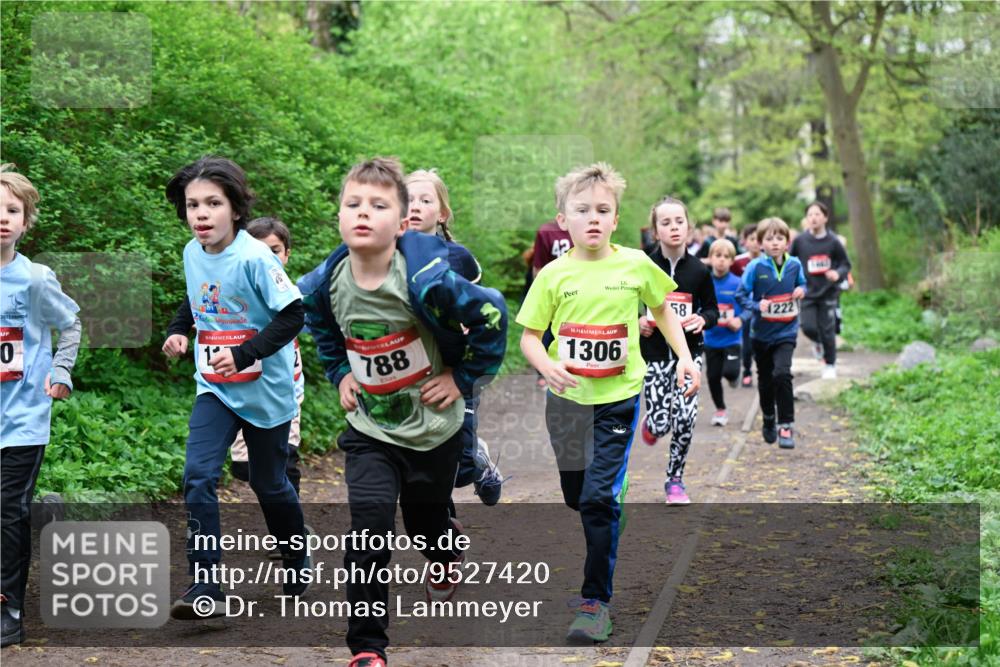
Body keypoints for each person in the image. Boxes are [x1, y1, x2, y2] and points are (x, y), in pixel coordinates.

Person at [298, 157, 507, 667]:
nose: (363, 213)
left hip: (434, 431)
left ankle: (442, 552)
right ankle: (368, 647)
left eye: (378, 205)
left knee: (425, 521)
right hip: (372, 431)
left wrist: (460, 379)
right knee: (369, 527)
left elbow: (493, 316)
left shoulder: (427, 277)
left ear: (402, 218)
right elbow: (318, 324)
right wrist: (341, 374)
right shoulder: (327, 280)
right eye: (353, 204)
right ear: (339, 216)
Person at [517, 163, 699, 643]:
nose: (593, 218)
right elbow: (531, 338)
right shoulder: (554, 274)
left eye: (603, 210)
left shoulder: (636, 263)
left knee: (598, 501)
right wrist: (546, 366)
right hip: (566, 402)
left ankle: (594, 603)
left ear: (616, 218)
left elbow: (662, 307)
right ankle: (604, 504)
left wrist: (684, 358)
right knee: (578, 497)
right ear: (564, 219)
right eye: (582, 210)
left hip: (617, 399)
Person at [161, 157, 309, 620]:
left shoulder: (255, 258)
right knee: (198, 475)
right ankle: (206, 583)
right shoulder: (191, 251)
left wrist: (245, 353)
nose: (200, 214)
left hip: (266, 390)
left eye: (212, 204)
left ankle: (296, 556)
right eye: (192, 205)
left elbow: (293, 314)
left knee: (269, 484)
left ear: (236, 210)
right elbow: (197, 296)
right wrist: (180, 329)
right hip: (215, 386)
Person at [0, 164, 81, 648]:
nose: (2, 219)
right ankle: (44, 520)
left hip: (23, 415)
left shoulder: (34, 279)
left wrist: (62, 371)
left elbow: (69, 324)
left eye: (12, 211)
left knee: (5, 510)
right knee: (10, 512)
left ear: (26, 221)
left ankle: (9, 610)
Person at [405, 168, 504, 506]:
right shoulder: (386, 254)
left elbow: (479, 306)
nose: (414, 206)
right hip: (410, 369)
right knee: (426, 458)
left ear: (442, 213)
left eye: (425, 200)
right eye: (406, 200)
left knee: (459, 464)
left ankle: (477, 460)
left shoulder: (457, 257)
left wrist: (464, 325)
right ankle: (442, 529)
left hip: (456, 366)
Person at [638, 196, 717, 506]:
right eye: (666, 223)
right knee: (660, 424)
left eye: (679, 221)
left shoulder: (699, 271)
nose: (673, 227)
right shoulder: (643, 265)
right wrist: (638, 321)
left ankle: (675, 480)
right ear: (656, 231)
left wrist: (703, 318)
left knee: (685, 419)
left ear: (689, 227)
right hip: (654, 356)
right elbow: (627, 305)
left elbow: (712, 308)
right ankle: (652, 424)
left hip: (690, 355)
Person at [736, 217, 806, 449]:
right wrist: (757, 306)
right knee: (765, 380)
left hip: (786, 331)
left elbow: (803, 284)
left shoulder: (795, 264)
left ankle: (786, 424)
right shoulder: (755, 267)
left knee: (782, 374)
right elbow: (741, 295)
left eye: (779, 238)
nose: (775, 243)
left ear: (787, 242)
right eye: (769, 238)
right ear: (760, 243)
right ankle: (768, 417)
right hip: (761, 335)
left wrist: (800, 290)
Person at [790, 201, 851, 379]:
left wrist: (837, 273)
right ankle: (817, 342)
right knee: (808, 327)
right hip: (807, 292)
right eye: (810, 215)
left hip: (828, 292)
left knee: (828, 330)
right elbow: (790, 263)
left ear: (825, 217)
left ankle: (830, 365)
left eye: (817, 214)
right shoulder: (800, 241)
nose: (813, 218)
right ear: (806, 219)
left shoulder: (833, 241)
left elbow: (845, 264)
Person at [703, 239, 743, 426]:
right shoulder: (704, 282)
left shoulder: (737, 283)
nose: (721, 260)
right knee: (712, 377)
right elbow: (697, 306)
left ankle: (735, 377)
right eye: (717, 256)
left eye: (726, 257)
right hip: (711, 340)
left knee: (730, 371)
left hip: (732, 339)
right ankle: (720, 410)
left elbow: (747, 306)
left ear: (732, 261)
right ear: (710, 259)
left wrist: (740, 319)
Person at [530, 217, 573, 387]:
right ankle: (544, 372)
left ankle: (571, 367)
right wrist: (540, 292)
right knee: (545, 331)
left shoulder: (583, 228)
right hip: (553, 290)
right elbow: (538, 265)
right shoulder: (546, 231)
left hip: (577, 290)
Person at [732, 223, 760, 388]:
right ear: (745, 241)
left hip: (764, 308)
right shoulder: (737, 262)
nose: (756, 242)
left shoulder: (768, 260)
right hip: (745, 308)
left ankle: (764, 370)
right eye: (752, 239)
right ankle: (747, 371)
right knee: (747, 341)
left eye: (759, 239)